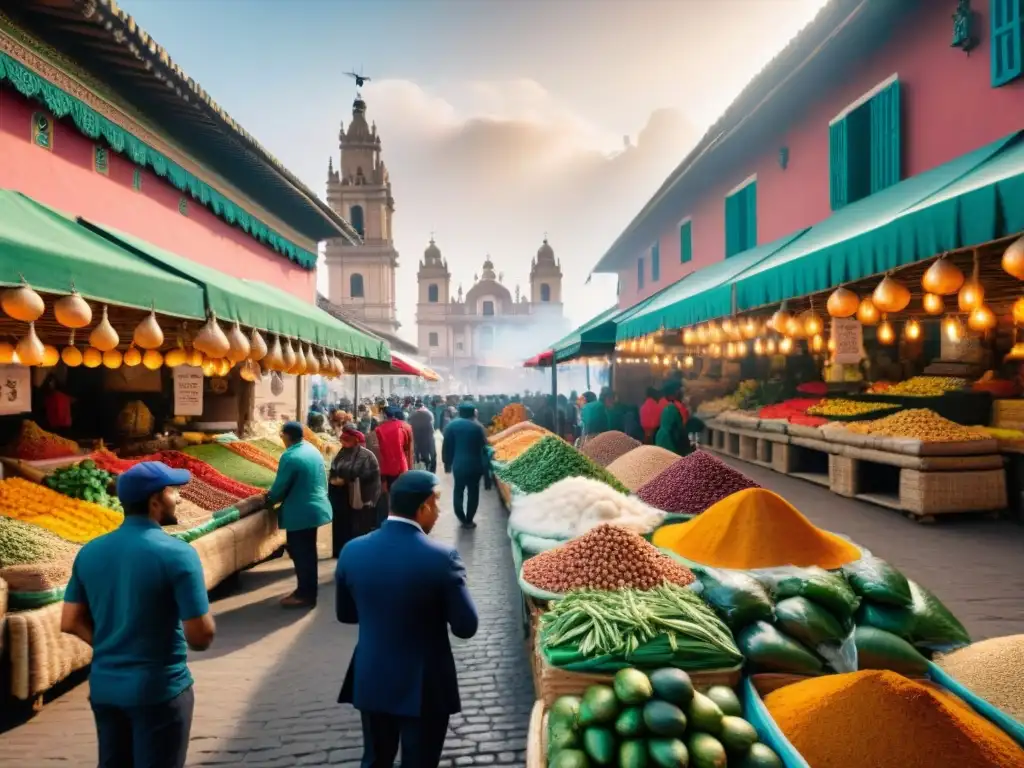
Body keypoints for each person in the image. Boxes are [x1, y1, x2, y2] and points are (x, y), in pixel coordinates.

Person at [61, 461, 215, 768]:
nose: (179, 499)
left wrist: (111, 645)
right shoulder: (178, 553)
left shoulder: (89, 552)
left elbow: (70, 621)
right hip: (159, 690)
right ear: (155, 501)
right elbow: (200, 636)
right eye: (173, 492)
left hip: (105, 689)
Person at [336, 470, 478, 768]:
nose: (439, 513)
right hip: (424, 684)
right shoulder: (442, 557)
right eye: (436, 505)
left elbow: (346, 614)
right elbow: (466, 626)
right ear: (423, 506)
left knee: (375, 759)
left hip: (372, 675)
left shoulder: (352, 551)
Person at [265, 421, 332, 608]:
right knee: (308, 552)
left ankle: (305, 595)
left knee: (302, 554)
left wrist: (267, 500)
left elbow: (279, 488)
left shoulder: (290, 456)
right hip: (317, 508)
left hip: (301, 512)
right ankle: (307, 590)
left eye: (282, 435)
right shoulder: (311, 450)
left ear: (286, 436)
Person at [329, 424, 382, 558]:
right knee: (341, 525)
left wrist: (347, 479)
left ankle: (358, 553)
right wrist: (335, 479)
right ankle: (340, 551)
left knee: (359, 526)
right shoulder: (341, 453)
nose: (343, 443)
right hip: (342, 495)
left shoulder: (365, 455)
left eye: (346, 441)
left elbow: (365, 474)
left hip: (362, 495)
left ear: (355, 441)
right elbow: (334, 468)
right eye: (343, 441)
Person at [441, 402, 489, 529]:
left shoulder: (451, 426)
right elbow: (485, 447)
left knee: (458, 490)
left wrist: (447, 463)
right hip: (475, 465)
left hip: (459, 465)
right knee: (473, 492)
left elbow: (447, 447)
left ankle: (461, 518)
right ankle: (469, 519)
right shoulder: (478, 427)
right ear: (473, 413)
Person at [375, 406, 412, 493]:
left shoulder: (379, 429)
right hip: (402, 466)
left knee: (390, 492)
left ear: (384, 415)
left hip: (387, 467)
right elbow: (409, 449)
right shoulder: (406, 426)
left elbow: (378, 450)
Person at [655, 382, 693, 456]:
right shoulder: (676, 406)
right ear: (675, 393)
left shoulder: (661, 402)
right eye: (679, 391)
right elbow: (683, 425)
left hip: (660, 436)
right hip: (671, 438)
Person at [408, 400, 437, 473]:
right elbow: (432, 426)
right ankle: (432, 470)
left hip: (418, 438)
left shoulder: (413, 414)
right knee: (432, 454)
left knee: (421, 453)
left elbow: (410, 426)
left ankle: (422, 467)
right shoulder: (429, 413)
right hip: (429, 437)